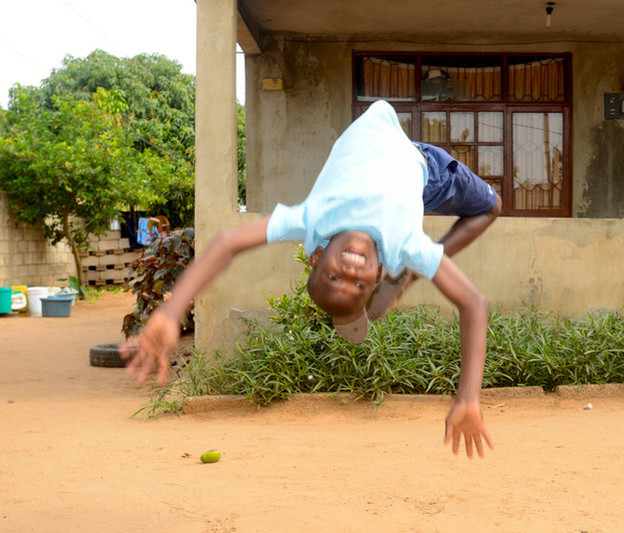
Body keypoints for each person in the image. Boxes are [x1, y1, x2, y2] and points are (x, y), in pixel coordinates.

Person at [122, 100, 501, 458]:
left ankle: (403, 280)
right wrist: (468, 396)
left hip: (393, 153)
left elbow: (227, 243)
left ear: (317, 255)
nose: (350, 274)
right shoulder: (404, 239)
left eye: (333, 275)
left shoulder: (311, 219)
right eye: (358, 285)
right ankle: (406, 277)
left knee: (423, 252)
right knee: (491, 206)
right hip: (424, 170)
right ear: (376, 272)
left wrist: (172, 312)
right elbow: (473, 304)